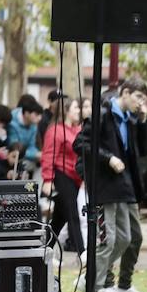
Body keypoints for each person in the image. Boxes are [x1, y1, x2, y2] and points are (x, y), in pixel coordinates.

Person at [75, 77, 147, 292]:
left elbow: (142, 150)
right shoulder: (104, 113)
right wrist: (109, 157)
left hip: (123, 187)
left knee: (125, 238)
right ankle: (95, 289)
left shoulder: (130, 119)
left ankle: (97, 281)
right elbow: (81, 143)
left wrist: (143, 121)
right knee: (109, 240)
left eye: (144, 99)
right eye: (138, 97)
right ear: (125, 93)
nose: (141, 103)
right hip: (105, 187)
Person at [41, 96, 84, 256]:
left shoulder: (77, 129)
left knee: (59, 219)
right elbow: (48, 155)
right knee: (72, 214)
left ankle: (43, 250)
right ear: (66, 111)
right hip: (60, 175)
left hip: (74, 178)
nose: (79, 111)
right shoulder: (55, 130)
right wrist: (48, 179)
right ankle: (83, 254)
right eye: (75, 108)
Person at [8, 94, 43, 180]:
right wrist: (35, 154)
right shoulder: (12, 123)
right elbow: (14, 148)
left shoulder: (33, 124)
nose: (40, 118)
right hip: (13, 157)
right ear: (27, 113)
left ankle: (36, 192)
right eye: (37, 114)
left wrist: (38, 154)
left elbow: (32, 145)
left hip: (26, 157)